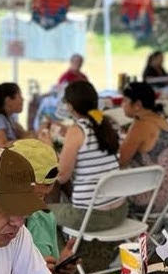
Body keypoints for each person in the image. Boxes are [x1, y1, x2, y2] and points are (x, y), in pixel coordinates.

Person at [5, 140, 77, 274]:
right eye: (34, 195)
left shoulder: (43, 218)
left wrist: (60, 270)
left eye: (44, 196)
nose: (38, 204)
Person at [53, 81, 127, 233]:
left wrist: (48, 146)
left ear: (70, 106)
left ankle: (58, 251)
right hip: (120, 211)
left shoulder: (77, 131)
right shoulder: (107, 123)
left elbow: (61, 177)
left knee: (39, 213)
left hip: (91, 216)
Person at [118, 82, 168, 211]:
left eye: (124, 101)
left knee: (106, 197)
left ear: (137, 105)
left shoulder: (140, 125)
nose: (122, 105)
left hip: (152, 200)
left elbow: (121, 161)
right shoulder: (160, 120)